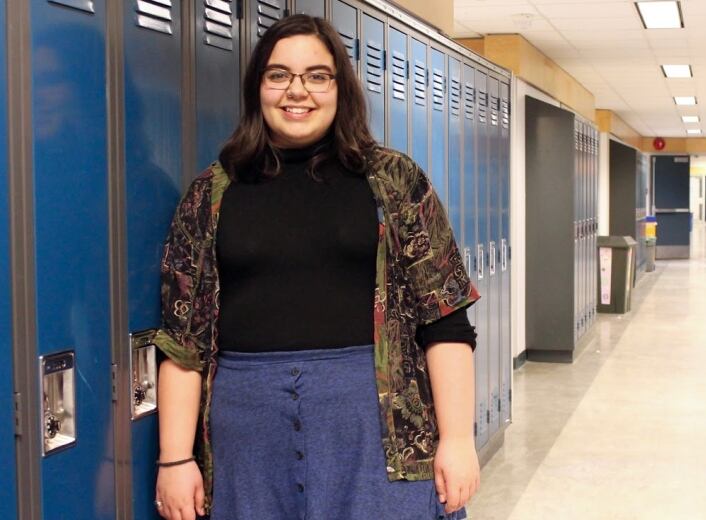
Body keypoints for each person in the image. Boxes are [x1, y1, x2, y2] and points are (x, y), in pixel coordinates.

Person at [153, 14, 481, 520]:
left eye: (317, 75)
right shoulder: (212, 193)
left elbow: (445, 320)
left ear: (340, 87)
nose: (296, 91)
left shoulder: (393, 181)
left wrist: (458, 440)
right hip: (248, 435)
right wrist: (175, 459)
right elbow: (183, 342)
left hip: (377, 426)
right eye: (278, 74)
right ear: (257, 88)